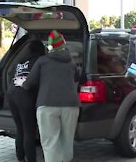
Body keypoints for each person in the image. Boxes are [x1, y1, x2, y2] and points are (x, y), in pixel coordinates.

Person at [22, 30, 80, 162]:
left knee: (50, 143)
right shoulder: (71, 62)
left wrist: (23, 84)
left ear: (50, 46)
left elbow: (29, 83)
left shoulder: (43, 61)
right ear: (63, 44)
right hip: (71, 106)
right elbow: (77, 78)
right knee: (67, 141)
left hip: (47, 104)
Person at [5, 39, 46, 162]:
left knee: (20, 128)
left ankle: (20, 157)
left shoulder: (20, 61)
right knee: (29, 130)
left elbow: (13, 75)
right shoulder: (38, 61)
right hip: (25, 96)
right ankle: (31, 160)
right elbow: (39, 81)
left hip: (12, 94)